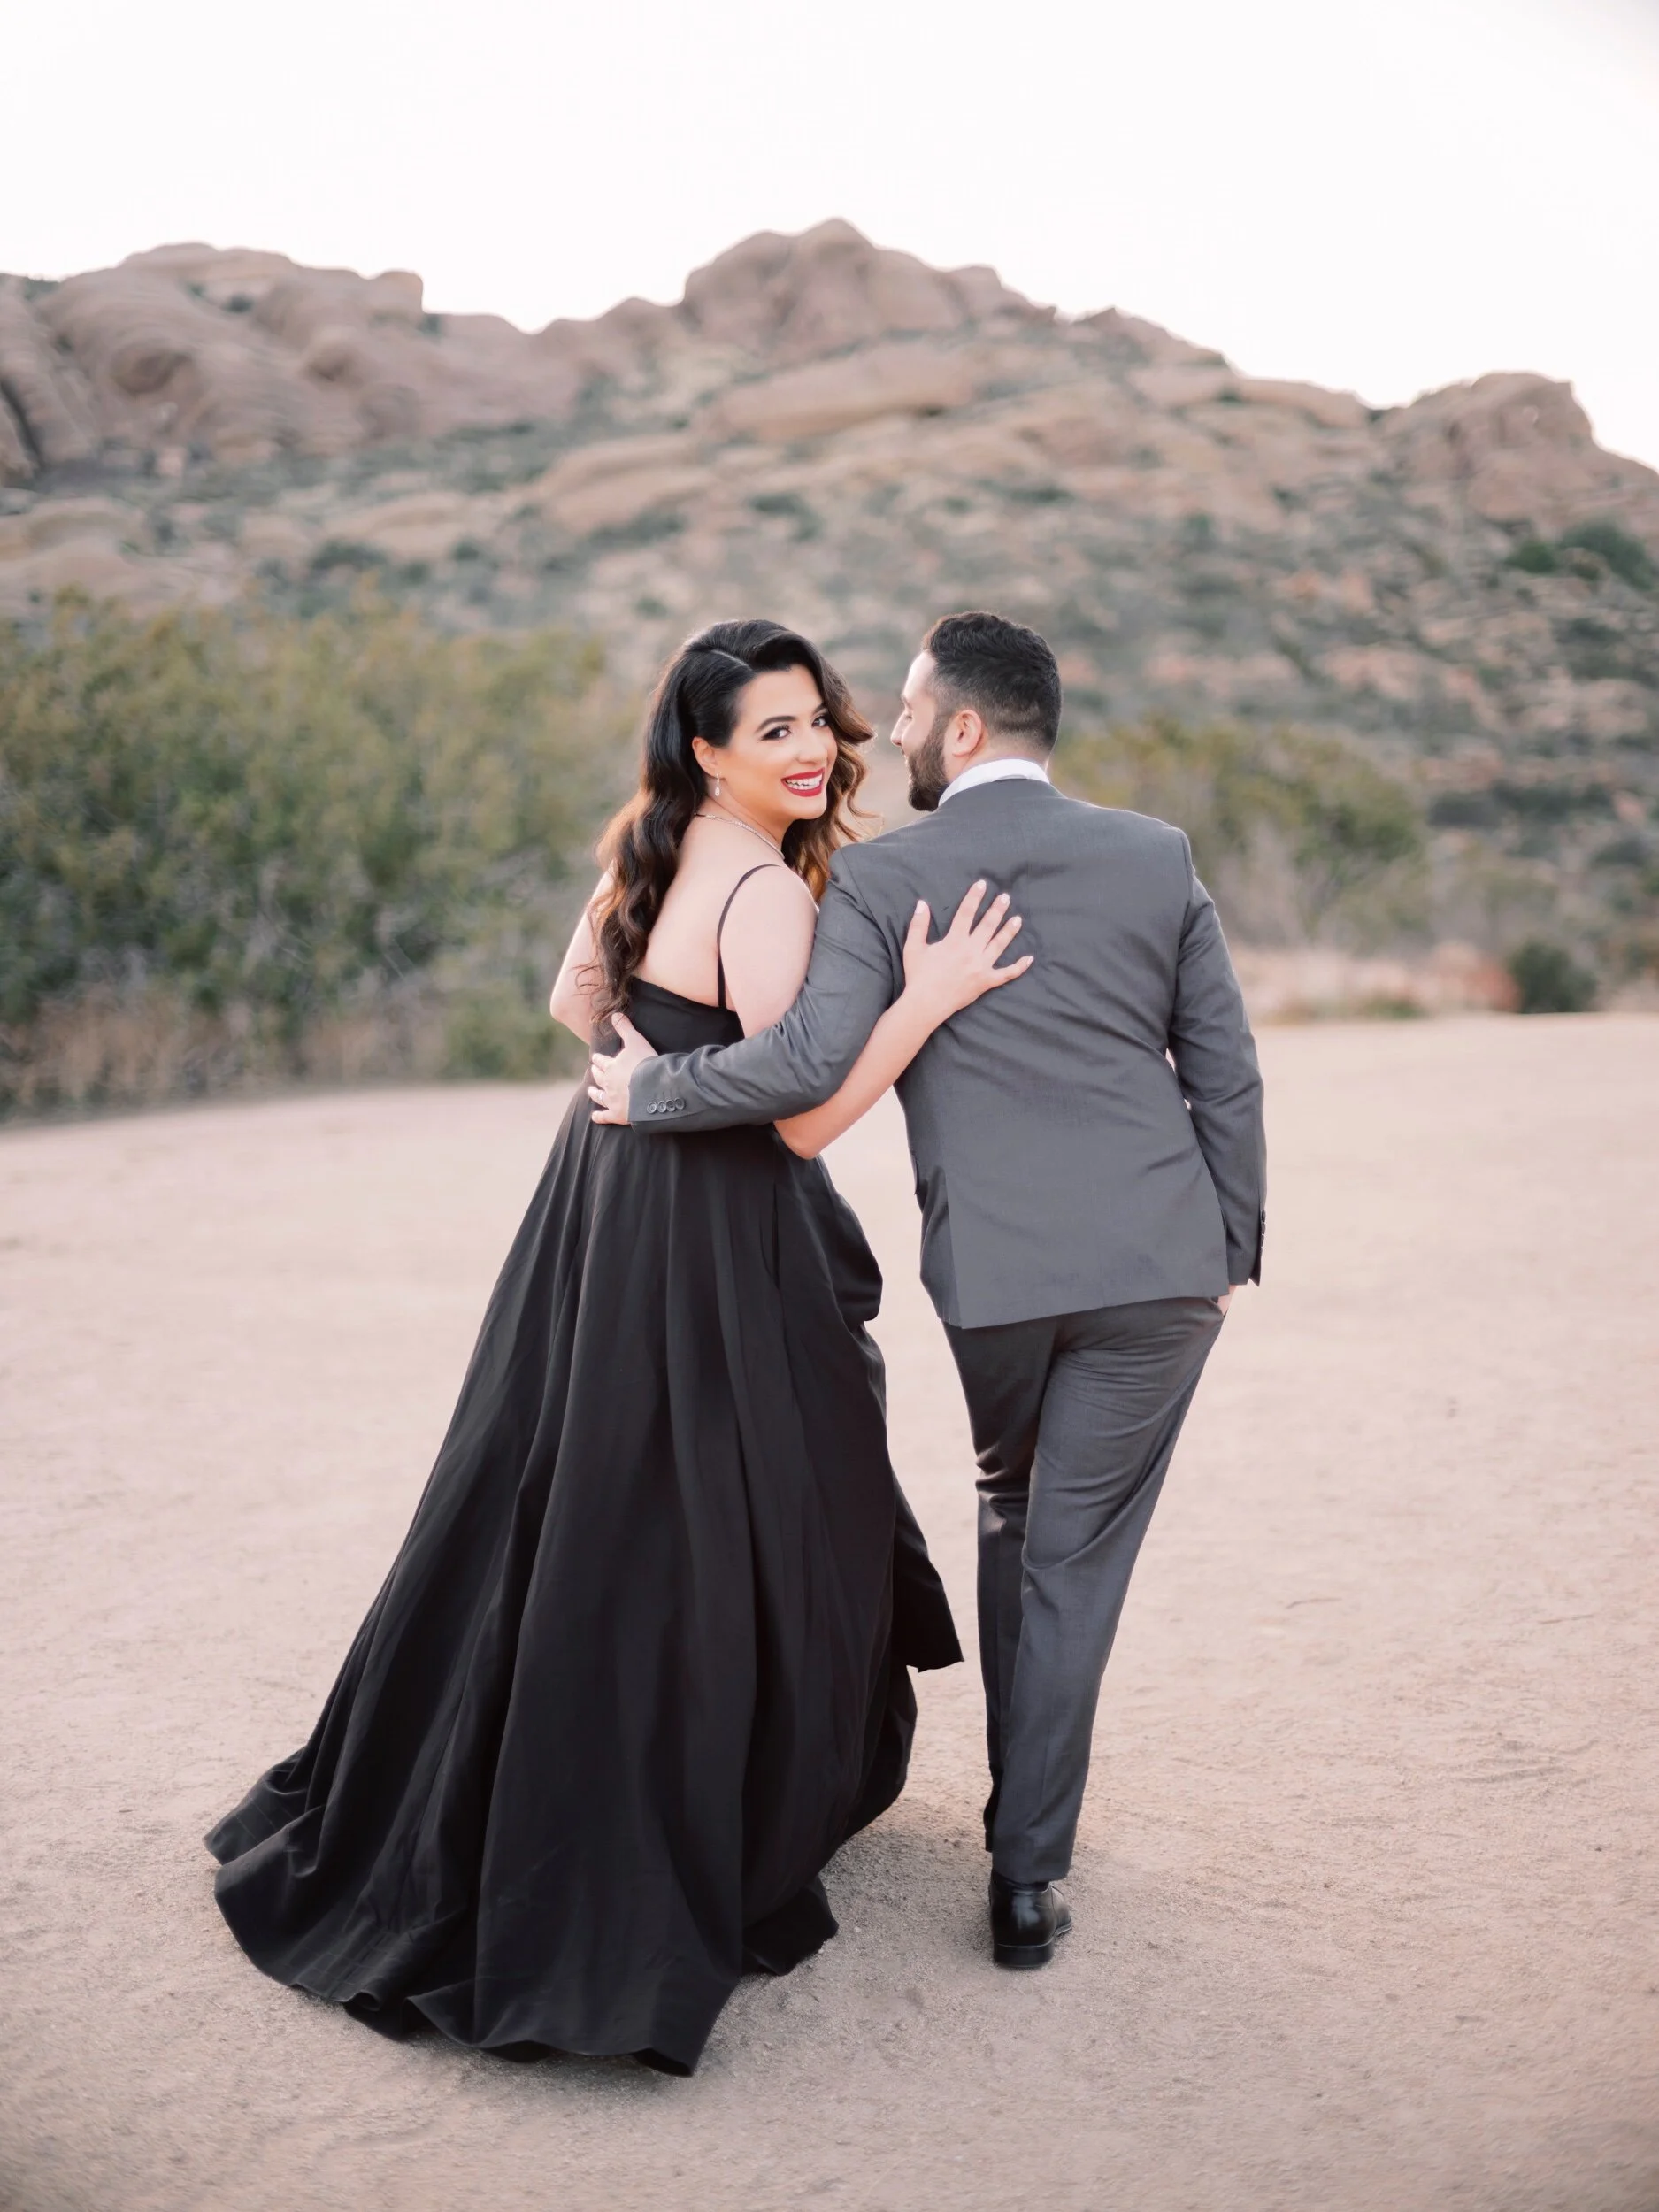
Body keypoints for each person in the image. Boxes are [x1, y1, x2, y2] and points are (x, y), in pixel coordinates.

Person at [206, 618, 1033, 2076]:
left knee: (575, 1476)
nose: (810, 750)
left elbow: (571, 1005)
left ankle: (490, 1775)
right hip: (713, 1227)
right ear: (707, 749)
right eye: (771, 730)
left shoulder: (646, 849)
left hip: (600, 1201)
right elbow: (800, 1117)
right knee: (752, 1497)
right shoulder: (768, 895)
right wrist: (926, 999)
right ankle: (717, 1796)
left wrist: (642, 1075)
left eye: (818, 722)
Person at [590, 610, 1267, 1971]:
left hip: (997, 1281)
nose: (883, 733)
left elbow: (796, 1069)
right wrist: (1227, 1245)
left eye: (902, 710)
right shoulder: (1153, 856)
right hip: (1161, 1275)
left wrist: (652, 1087)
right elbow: (1225, 1073)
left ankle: (1023, 1832)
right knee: (1074, 1562)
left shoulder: (887, 879)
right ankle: (1026, 1875)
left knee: (1018, 1518)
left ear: (961, 727)